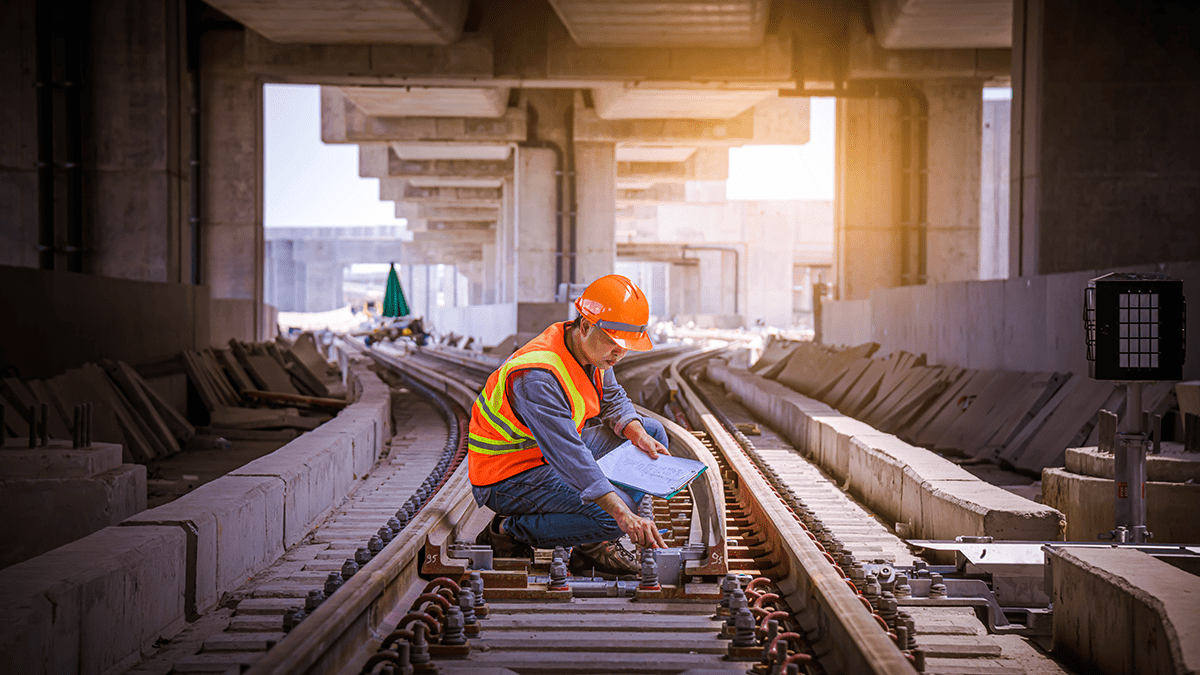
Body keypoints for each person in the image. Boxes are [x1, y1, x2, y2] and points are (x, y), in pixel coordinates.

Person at [468, 274, 670, 576]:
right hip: (506, 474)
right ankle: (508, 531)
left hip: (545, 453)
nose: (620, 353)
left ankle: (591, 545)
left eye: (627, 347)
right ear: (587, 326)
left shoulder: (590, 351)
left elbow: (613, 398)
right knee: (610, 517)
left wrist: (636, 432)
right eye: (615, 343)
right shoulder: (538, 377)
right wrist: (622, 513)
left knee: (652, 432)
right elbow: (570, 456)